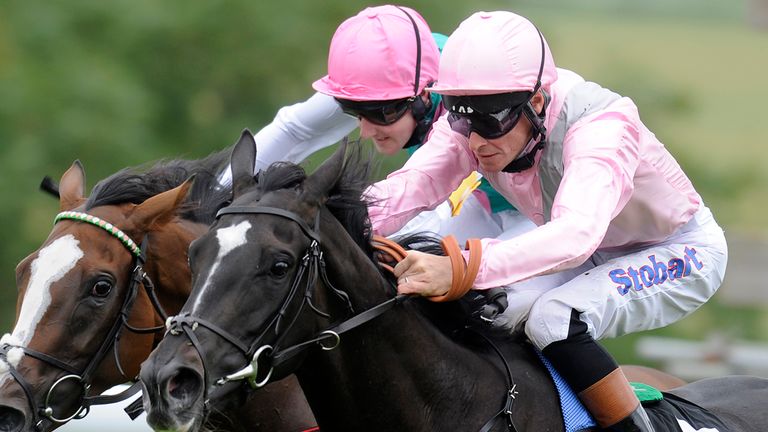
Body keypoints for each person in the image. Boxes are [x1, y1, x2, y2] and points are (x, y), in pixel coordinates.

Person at [369, 10, 728, 432]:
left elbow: (576, 235)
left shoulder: (600, 129)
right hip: (591, 249)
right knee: (490, 312)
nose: (475, 140)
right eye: (460, 117)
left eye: (490, 121)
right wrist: (328, 216)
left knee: (553, 318)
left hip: (677, 249)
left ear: (536, 101)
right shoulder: (477, 121)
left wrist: (461, 266)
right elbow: (413, 185)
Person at [237, 5, 533, 242]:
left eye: (379, 114)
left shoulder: (462, 100)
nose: (365, 131)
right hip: (479, 199)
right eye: (353, 111)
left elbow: (422, 198)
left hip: (535, 211)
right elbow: (292, 128)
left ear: (424, 95)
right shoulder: (380, 76)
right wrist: (222, 198)